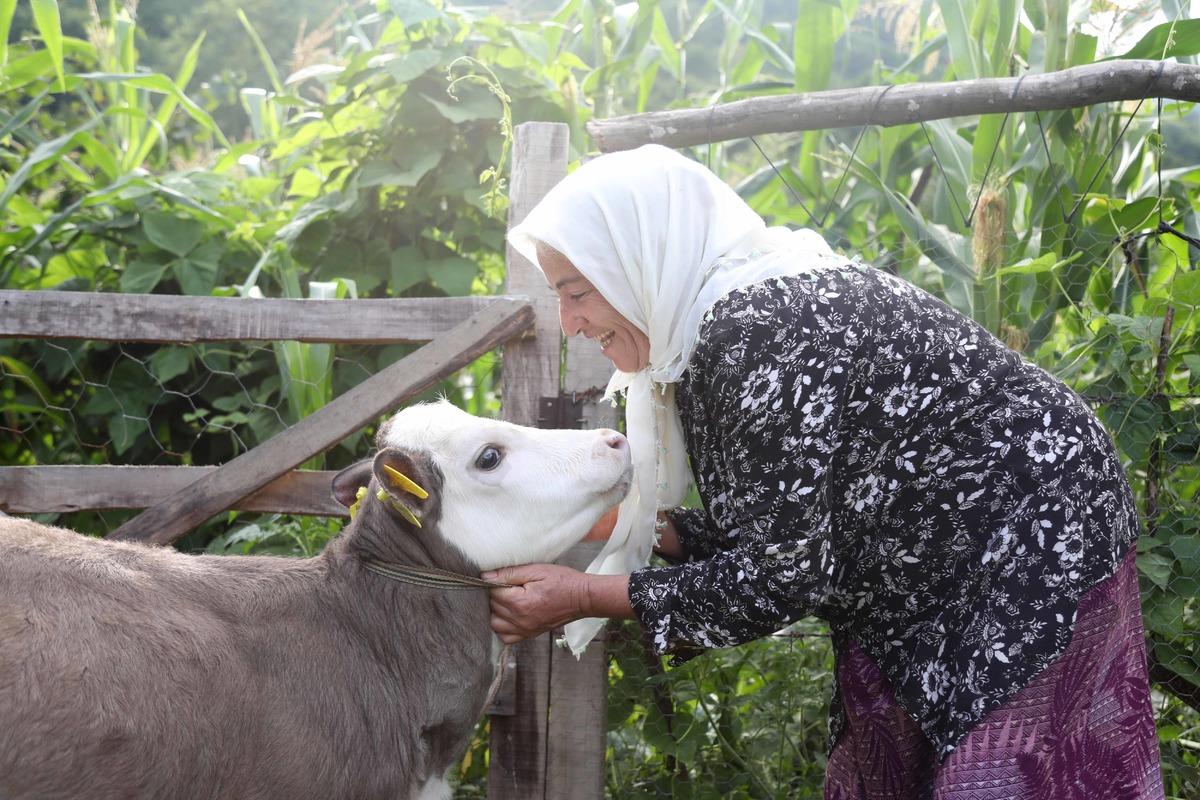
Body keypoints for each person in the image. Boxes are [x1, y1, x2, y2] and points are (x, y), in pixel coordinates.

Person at [484, 144, 1162, 798]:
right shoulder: (716, 322)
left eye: (576, 293)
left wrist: (584, 594)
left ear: (636, 260)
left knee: (1004, 769)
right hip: (926, 559)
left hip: (1033, 538)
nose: (569, 323)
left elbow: (784, 577)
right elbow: (788, 533)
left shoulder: (757, 329)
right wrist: (626, 525)